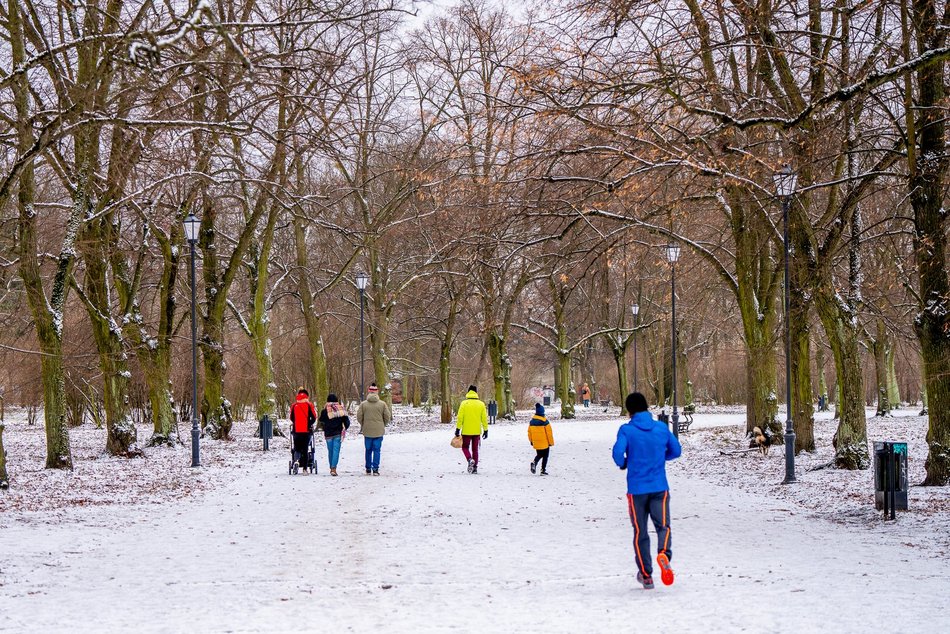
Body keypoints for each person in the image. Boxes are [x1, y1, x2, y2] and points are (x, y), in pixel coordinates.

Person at [612, 392, 682, 590]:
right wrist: (660, 458)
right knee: (663, 526)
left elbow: (617, 454)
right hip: (660, 486)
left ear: (629, 410)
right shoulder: (661, 428)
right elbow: (676, 450)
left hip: (637, 490)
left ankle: (646, 574)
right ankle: (664, 553)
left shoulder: (626, 430)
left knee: (640, 531)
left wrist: (625, 462)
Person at [357, 383, 391, 475]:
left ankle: (368, 468)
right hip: (379, 430)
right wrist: (382, 424)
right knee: (377, 450)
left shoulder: (363, 404)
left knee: (368, 450)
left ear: (369, 392)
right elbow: (387, 416)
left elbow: (359, 416)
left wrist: (363, 424)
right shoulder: (382, 404)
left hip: (367, 430)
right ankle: (375, 469)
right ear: (377, 392)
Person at [454, 385, 488, 474]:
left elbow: (460, 417)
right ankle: (475, 468)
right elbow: (484, 418)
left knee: (465, 447)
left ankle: (469, 459)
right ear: (476, 392)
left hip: (466, 431)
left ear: (468, 392)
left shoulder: (464, 404)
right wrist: (485, 430)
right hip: (476, 431)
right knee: (475, 449)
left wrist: (458, 429)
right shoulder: (481, 404)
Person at [318, 393, 351, 476]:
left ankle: (331, 467)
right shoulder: (341, 410)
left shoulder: (324, 411)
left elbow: (321, 420)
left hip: (328, 434)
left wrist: (324, 428)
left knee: (330, 451)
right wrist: (345, 428)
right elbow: (347, 421)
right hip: (337, 433)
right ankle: (333, 468)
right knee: (336, 451)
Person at [289, 388, 317, 473]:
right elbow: (314, 417)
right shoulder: (309, 405)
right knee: (305, 449)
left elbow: (291, 418)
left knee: (297, 447)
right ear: (306, 396)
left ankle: (296, 460)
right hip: (306, 431)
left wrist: (296, 423)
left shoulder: (294, 405)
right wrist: (309, 424)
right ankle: (305, 469)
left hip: (296, 431)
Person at [528, 402, 554, 475]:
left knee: (539, 454)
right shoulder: (545, 422)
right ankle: (543, 470)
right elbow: (549, 433)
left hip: (536, 442)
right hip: (545, 442)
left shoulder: (531, 422)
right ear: (542, 412)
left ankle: (534, 462)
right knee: (545, 456)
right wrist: (551, 442)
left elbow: (529, 433)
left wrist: (531, 441)